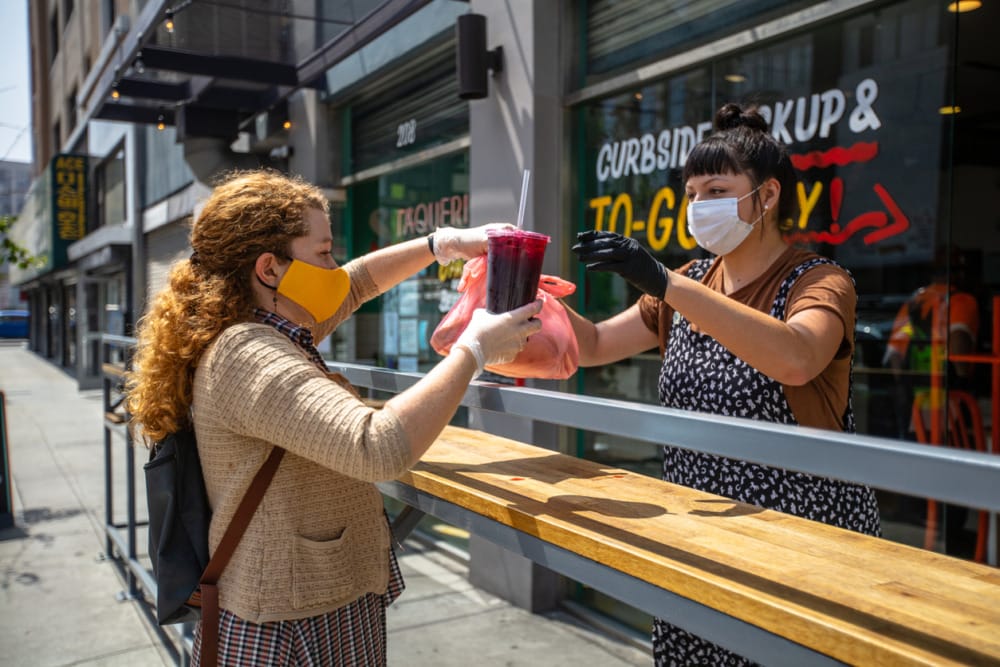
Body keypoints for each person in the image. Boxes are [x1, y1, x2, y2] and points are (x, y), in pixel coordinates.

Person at [125, 170, 541, 666]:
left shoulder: (263, 322)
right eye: (322, 253)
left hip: (310, 600)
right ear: (269, 268)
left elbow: (358, 283)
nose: (334, 265)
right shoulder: (246, 352)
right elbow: (376, 445)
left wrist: (443, 244)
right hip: (290, 622)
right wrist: (474, 349)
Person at [568, 103, 881, 666]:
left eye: (715, 189)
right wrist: (525, 291)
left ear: (767, 197)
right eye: (691, 194)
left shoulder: (820, 281)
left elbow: (796, 358)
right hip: (702, 533)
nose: (698, 206)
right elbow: (591, 347)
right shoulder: (688, 281)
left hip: (802, 538)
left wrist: (662, 280)